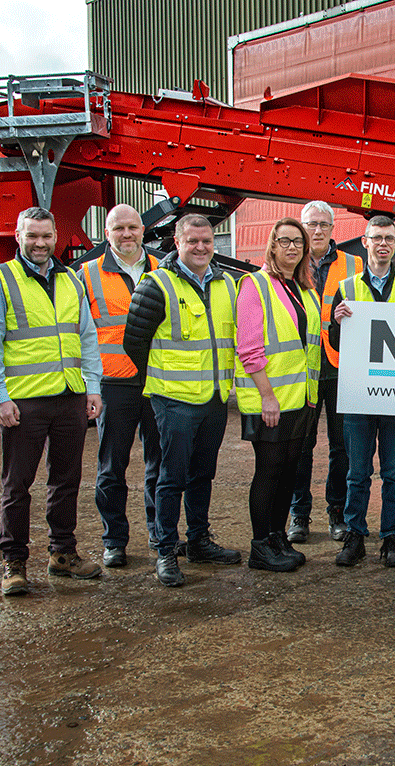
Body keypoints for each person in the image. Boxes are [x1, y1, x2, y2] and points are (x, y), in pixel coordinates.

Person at [0, 206, 104, 596]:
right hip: (24, 401)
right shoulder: (0, 280)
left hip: (69, 396)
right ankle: (14, 563)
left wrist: (93, 386)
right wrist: (0, 397)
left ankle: (62, 553)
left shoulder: (70, 280)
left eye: (46, 236)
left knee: (66, 480)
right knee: (17, 485)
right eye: (32, 235)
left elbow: (86, 336)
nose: (40, 243)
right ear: (18, 237)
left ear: (55, 237)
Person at [122, 214, 243, 587]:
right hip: (173, 400)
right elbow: (134, 342)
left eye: (207, 241)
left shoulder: (227, 284)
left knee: (202, 474)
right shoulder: (156, 285)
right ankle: (165, 550)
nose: (201, 247)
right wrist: (163, 379)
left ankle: (199, 541)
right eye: (193, 241)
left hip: (214, 397)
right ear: (177, 243)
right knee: (171, 477)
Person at [330, 215, 395, 567]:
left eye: (389, 238)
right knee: (357, 473)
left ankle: (391, 537)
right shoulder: (346, 288)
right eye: (376, 238)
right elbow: (336, 343)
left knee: (394, 472)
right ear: (365, 242)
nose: (383, 244)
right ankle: (355, 535)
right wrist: (337, 322)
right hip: (359, 395)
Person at [234, 218, 321, 573]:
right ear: (272, 245)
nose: (292, 248)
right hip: (269, 399)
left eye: (298, 242)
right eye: (284, 241)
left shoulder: (305, 289)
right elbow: (248, 348)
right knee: (269, 471)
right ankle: (260, 547)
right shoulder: (255, 285)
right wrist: (267, 396)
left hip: (299, 398)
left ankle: (277, 537)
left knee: (288, 471)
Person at [79, 204, 162, 568]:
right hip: (114, 383)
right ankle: (114, 540)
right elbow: (79, 334)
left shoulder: (164, 268)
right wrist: (89, 384)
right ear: (107, 234)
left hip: (158, 381)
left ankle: (160, 534)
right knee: (112, 467)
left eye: (132, 227)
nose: (126, 234)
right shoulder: (86, 275)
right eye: (118, 229)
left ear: (143, 230)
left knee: (161, 465)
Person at [286, 201, 363, 544]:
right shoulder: (287, 262)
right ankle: (299, 514)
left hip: (339, 366)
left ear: (333, 229)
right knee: (301, 445)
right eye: (311, 224)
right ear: (302, 227)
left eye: (323, 224)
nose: (317, 230)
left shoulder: (354, 264)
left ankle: (337, 512)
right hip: (300, 367)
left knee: (341, 447)